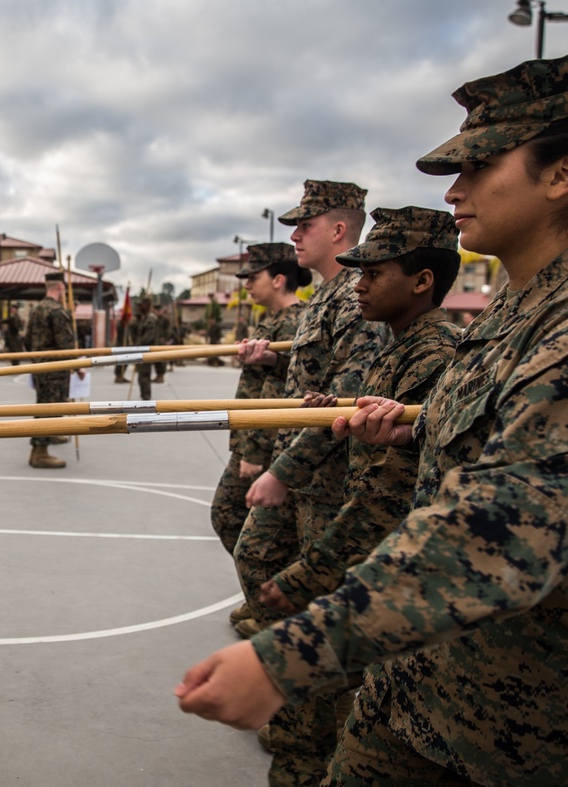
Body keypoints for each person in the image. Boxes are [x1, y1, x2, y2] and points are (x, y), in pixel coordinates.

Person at [177, 50, 568, 785]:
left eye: (481, 166)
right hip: (429, 685)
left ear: (563, 175)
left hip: (540, 728)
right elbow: (506, 433)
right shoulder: (524, 307)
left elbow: (499, 534)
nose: (457, 190)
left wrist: (289, 655)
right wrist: (420, 422)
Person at [231, 180, 391, 784]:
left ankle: (314, 736)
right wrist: (272, 359)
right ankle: (299, 713)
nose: (293, 235)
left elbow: (344, 403)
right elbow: (313, 374)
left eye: (304, 226)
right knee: (264, 569)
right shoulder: (328, 296)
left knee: (315, 604)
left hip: (331, 479)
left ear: (340, 231)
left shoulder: (358, 296)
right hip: (305, 471)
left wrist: (281, 470)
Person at [210, 243, 310, 625]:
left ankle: (273, 606)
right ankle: (264, 598)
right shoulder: (272, 320)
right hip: (252, 436)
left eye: (253, 277)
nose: (247, 285)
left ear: (279, 279)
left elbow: (278, 394)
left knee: (232, 516)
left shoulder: (293, 322)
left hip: (267, 443)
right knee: (243, 525)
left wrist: (254, 450)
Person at [24, 271, 76, 468]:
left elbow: (27, 341)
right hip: (55, 369)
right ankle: (39, 452)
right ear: (61, 287)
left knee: (45, 406)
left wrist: (38, 357)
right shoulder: (57, 311)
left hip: (40, 366)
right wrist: (77, 365)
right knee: (48, 409)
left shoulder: (36, 309)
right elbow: (66, 345)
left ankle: (51, 434)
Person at [128, 296, 157, 400]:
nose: (140, 307)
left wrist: (137, 345)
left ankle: (146, 398)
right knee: (141, 376)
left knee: (144, 376)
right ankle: (144, 397)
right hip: (141, 351)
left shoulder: (150, 319)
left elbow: (149, 337)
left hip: (146, 351)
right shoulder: (143, 318)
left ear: (147, 305)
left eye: (142, 305)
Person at [152, 302, 171, 383]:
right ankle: (157, 375)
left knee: (162, 360)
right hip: (155, 342)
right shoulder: (153, 319)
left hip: (162, 342)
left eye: (158, 310)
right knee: (156, 360)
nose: (157, 312)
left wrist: (167, 340)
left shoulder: (165, 319)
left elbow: (168, 331)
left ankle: (161, 376)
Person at [204, 292, 224, 365]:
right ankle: (211, 361)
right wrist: (207, 339)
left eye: (212, 320)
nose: (211, 321)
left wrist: (218, 340)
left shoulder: (217, 326)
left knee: (215, 352)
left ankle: (215, 361)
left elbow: (219, 334)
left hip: (215, 340)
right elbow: (208, 333)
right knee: (210, 352)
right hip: (211, 340)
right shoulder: (210, 326)